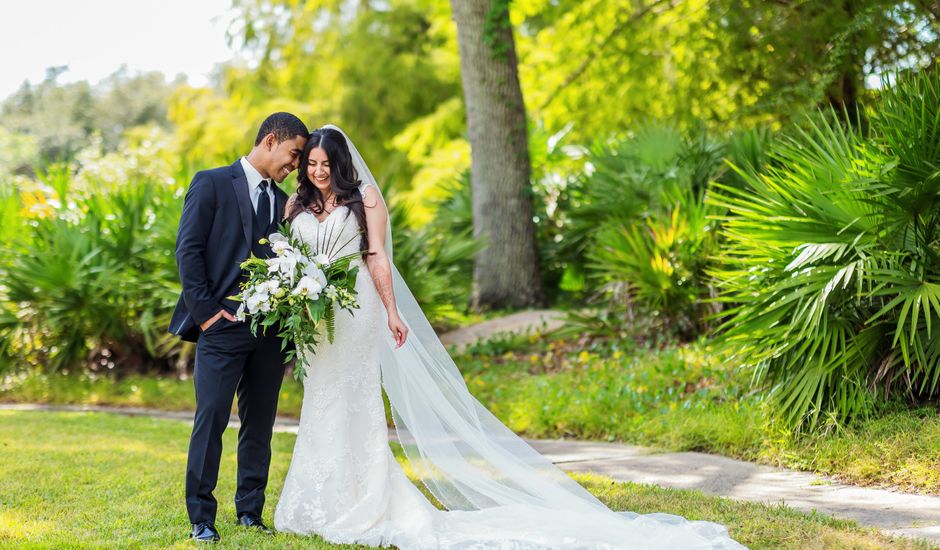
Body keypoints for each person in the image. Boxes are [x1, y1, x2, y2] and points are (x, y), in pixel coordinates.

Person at [272, 125, 746, 549]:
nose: (317, 171)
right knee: (320, 397)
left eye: (326, 164)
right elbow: (287, 256)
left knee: (355, 398)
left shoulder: (366, 199)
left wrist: (393, 312)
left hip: (356, 312)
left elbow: (377, 258)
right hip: (315, 319)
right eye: (311, 164)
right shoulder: (296, 204)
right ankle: (317, 498)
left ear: (342, 164)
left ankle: (364, 499)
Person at [169, 112, 309, 542]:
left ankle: (250, 511)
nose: (296, 165)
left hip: (268, 333)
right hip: (221, 326)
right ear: (270, 140)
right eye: (294, 154)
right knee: (211, 419)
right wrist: (209, 314)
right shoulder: (210, 182)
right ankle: (201, 518)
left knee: (260, 423)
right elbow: (188, 251)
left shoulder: (284, 200)